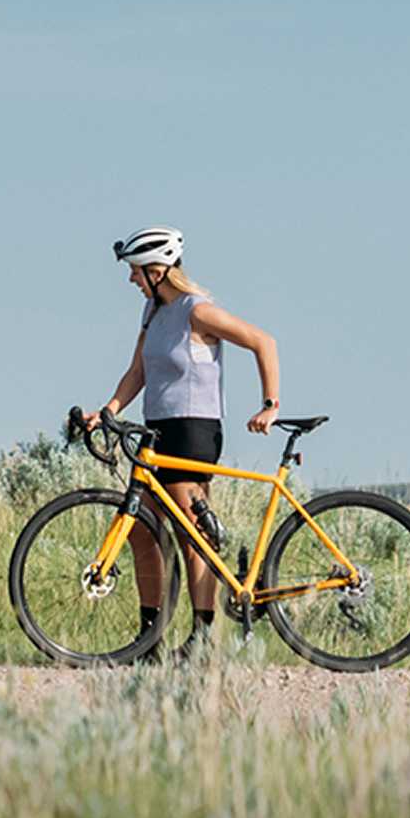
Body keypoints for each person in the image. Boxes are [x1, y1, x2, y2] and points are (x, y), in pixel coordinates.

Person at [87, 226, 282, 657]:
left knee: (192, 534)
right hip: (156, 429)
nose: (131, 279)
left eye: (136, 271)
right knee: (141, 531)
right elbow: (138, 371)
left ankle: (203, 638)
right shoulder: (152, 314)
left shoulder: (197, 311)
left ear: (157, 271)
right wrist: (107, 412)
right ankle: (149, 641)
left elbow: (262, 342)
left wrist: (270, 404)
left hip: (193, 429)